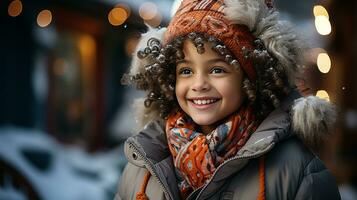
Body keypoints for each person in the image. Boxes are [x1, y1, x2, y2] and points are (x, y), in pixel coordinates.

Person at [115, 0, 341, 199]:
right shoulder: (142, 168)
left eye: (216, 70)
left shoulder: (296, 171)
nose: (198, 84)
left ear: (249, 78)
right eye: (185, 71)